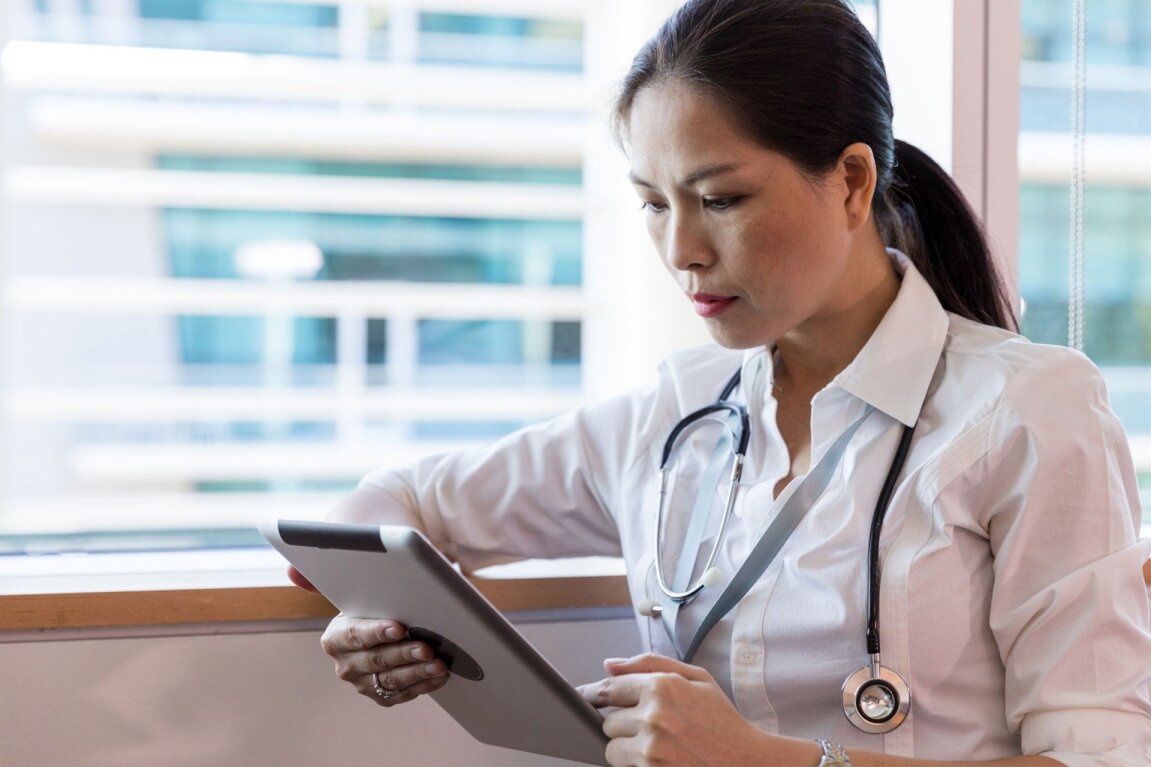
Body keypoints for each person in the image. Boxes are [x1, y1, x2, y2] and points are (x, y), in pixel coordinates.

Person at [297, 1, 1151, 764]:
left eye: (721, 198)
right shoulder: (675, 416)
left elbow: (1100, 757)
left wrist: (770, 762)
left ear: (850, 181)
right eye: (654, 203)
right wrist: (368, 617)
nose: (681, 251)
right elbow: (393, 499)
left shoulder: (1023, 410)